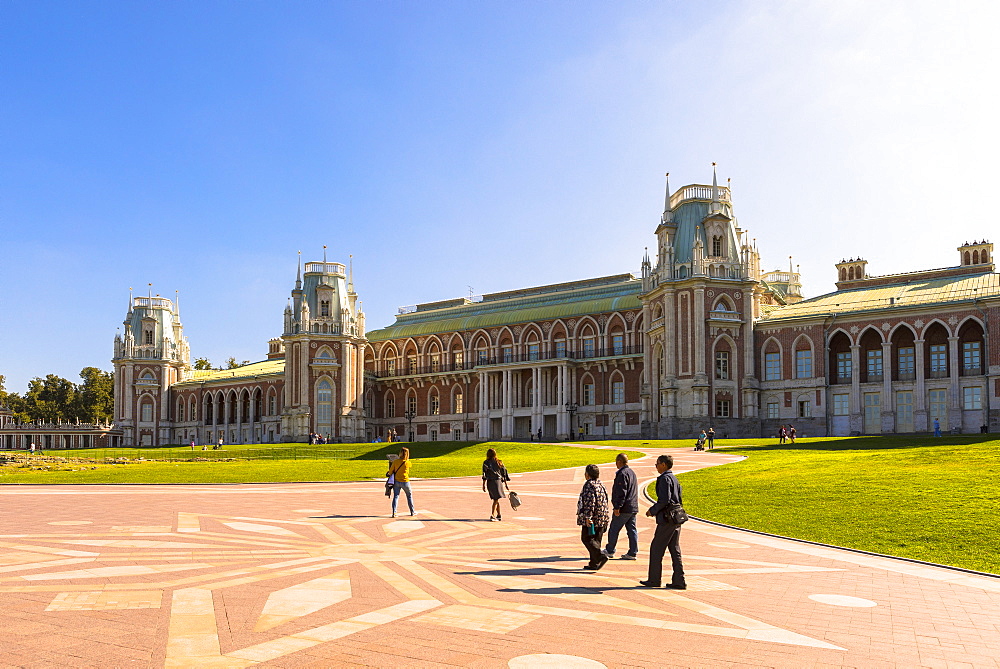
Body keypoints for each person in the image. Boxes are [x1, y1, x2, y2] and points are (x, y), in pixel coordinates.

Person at [640, 454, 686, 589]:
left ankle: (654, 580)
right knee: (674, 549)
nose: (656, 466)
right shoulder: (674, 479)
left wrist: (652, 511)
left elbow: (664, 500)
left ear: (664, 465)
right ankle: (679, 580)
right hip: (677, 517)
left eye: (657, 464)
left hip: (667, 519)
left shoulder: (664, 479)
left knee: (656, 549)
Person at [603, 453, 638, 560]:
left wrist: (617, 507)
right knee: (631, 530)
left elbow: (621, 492)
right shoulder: (632, 473)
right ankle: (632, 552)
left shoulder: (622, 474)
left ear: (619, 462)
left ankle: (610, 550)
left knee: (614, 528)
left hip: (624, 508)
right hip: (633, 507)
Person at [576, 464, 610, 571]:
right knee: (596, 540)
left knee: (586, 538)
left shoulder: (589, 485)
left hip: (593, 518)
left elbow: (590, 502)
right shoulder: (601, 484)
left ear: (587, 474)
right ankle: (594, 563)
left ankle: (600, 556)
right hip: (602, 517)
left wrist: (588, 517)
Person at [482, 447, 511, 521]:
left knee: (495, 499)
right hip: (498, 482)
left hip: (490, 482)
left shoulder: (486, 463)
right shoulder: (499, 462)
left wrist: (483, 485)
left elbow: (484, 474)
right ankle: (498, 515)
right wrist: (506, 484)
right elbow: (504, 474)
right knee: (496, 499)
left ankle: (493, 515)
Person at [387, 446, 416, 518]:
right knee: (409, 496)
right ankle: (412, 511)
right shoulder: (408, 462)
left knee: (396, 496)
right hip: (405, 481)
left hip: (396, 481)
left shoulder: (395, 462)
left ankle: (394, 512)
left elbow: (390, 472)